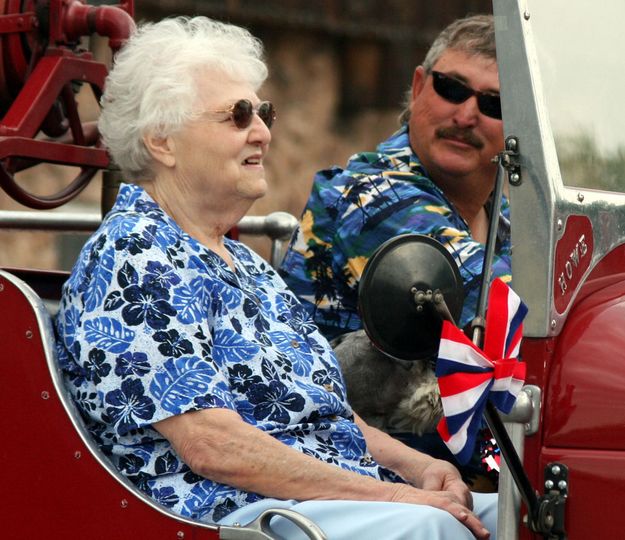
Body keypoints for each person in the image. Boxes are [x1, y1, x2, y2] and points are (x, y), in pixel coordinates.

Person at [54, 16, 496, 540]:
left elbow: (322, 415)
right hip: (224, 513)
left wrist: (416, 468)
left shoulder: (245, 266)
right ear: (162, 141)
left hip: (312, 499)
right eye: (238, 116)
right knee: (430, 528)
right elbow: (212, 445)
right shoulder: (135, 256)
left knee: (523, 518)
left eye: (263, 112)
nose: (263, 131)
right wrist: (398, 495)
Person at [278, 14, 512, 490]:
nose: (466, 115)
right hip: (348, 465)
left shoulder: (512, 212)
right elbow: (505, 308)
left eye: (494, 103)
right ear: (420, 84)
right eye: (451, 88)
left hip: (457, 465)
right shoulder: (371, 194)